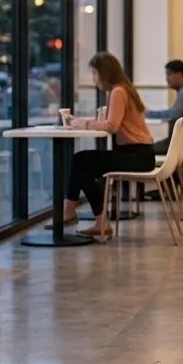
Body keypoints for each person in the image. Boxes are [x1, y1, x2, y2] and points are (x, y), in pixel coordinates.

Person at [63, 53, 156, 241]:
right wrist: (85, 122)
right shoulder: (124, 89)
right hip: (141, 154)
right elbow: (111, 121)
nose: (93, 78)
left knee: (81, 160)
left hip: (137, 155)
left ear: (104, 73)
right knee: (82, 161)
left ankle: (78, 214)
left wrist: (83, 124)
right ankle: (78, 213)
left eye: (94, 73)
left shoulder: (118, 92)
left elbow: (112, 126)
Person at [145, 59, 183, 153]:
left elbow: (173, 114)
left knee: (148, 151)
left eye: (169, 75)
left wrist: (148, 114)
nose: (167, 79)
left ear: (179, 74)